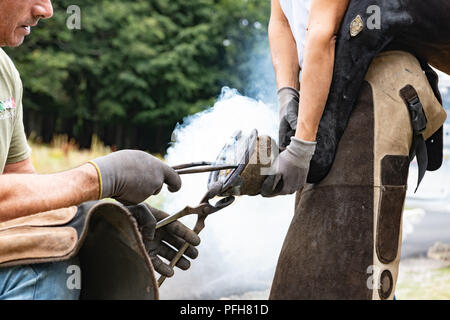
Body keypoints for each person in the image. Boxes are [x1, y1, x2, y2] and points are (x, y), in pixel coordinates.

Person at [0, 0, 200, 300]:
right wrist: (101, 177)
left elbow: (20, 188)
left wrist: (102, 221)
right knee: (43, 270)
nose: (47, 10)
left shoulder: (5, 72)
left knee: (67, 250)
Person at [264, 0, 448, 299]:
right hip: (324, 84)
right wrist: (287, 93)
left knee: (354, 256)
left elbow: (323, 32)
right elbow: (280, 20)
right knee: (320, 253)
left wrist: (300, 146)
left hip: (375, 85)